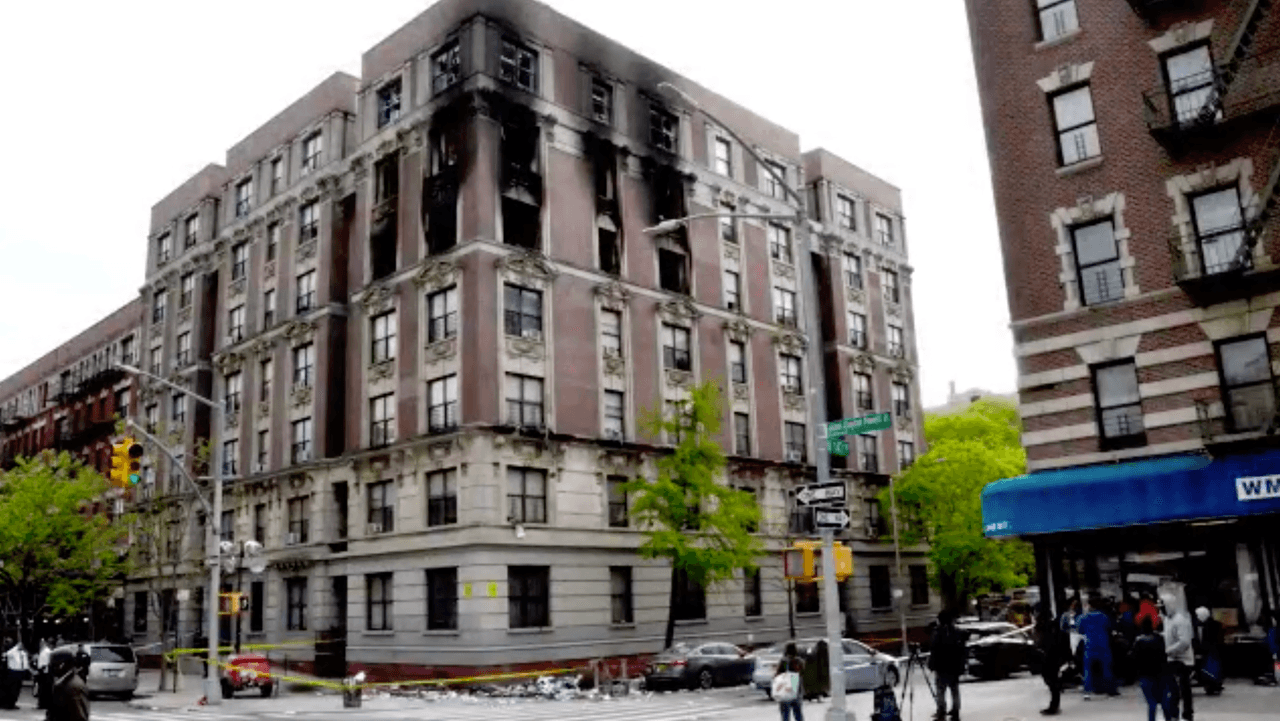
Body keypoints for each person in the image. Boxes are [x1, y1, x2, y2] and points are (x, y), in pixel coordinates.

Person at [929, 609, 968, 721]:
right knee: (954, 689)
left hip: (941, 666)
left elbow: (934, 649)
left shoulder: (938, 632)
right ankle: (955, 710)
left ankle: (942, 710)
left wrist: (932, 664)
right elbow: (962, 648)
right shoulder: (957, 632)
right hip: (954, 666)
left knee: (941, 689)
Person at [1077, 596, 1119, 699]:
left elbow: (1080, 630)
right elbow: (1109, 628)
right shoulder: (1104, 616)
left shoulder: (1083, 617)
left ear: (1089, 606)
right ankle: (1110, 691)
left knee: (1088, 669)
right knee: (1107, 668)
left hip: (1090, 645)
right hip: (1103, 644)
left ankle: (1087, 692)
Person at [1131, 617, 1170, 721]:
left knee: (1151, 703)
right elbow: (1164, 655)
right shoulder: (1159, 638)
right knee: (1164, 702)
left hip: (1145, 675)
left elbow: (1134, 659)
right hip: (1161, 673)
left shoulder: (1139, 641)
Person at [1163, 593, 1195, 721]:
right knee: (1173, 689)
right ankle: (1174, 713)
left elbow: (1184, 642)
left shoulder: (1180, 620)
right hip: (1172, 659)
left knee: (1183, 689)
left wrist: (1168, 651)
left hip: (1182, 660)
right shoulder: (1167, 619)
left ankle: (1187, 714)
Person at [1036, 612, 1068, 716]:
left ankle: (1054, 706)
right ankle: (1054, 705)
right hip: (1053, 659)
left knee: (1052, 683)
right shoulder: (1054, 628)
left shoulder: (1046, 629)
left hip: (1048, 659)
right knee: (1052, 683)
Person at [45, 649, 89, 721]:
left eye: (52, 663)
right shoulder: (63, 683)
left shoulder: (74, 687)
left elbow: (80, 717)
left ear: (62, 665)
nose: (50, 667)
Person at [1193, 607, 1223, 696]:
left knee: (1212, 668)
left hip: (1212, 651)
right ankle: (1210, 685)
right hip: (1203, 650)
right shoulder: (1195, 625)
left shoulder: (1214, 625)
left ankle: (1213, 685)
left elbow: (1217, 640)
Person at [774, 642, 805, 721]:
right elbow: (802, 673)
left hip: (785, 690)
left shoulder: (784, 661)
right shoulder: (799, 661)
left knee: (785, 715)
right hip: (796, 689)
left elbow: (778, 674)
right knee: (798, 713)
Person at [0, 636, 30, 710]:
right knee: (11, 689)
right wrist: (16, 647)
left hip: (21, 672)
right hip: (13, 672)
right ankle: (8, 704)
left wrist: (26, 670)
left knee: (17, 689)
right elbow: (6, 655)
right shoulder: (12, 652)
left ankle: (13, 703)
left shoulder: (23, 653)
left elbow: (26, 662)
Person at [34, 637, 52, 710]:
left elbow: (47, 662)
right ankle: (42, 703)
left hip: (45, 672)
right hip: (42, 671)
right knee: (42, 688)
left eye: (42, 643)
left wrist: (41, 670)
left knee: (44, 689)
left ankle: (43, 704)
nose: (40, 644)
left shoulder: (47, 651)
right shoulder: (42, 651)